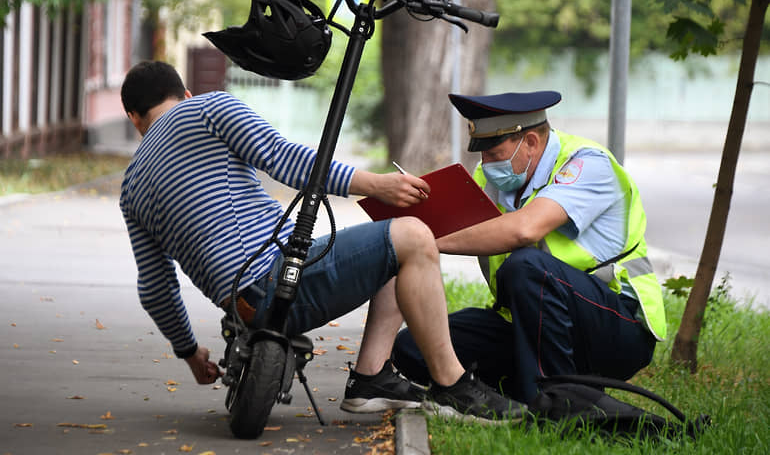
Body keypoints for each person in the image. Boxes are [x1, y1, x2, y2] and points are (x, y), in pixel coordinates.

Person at [118, 60, 522, 422]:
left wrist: (190, 354)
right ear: (185, 94)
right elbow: (284, 158)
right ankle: (453, 387)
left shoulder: (131, 187)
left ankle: (372, 380)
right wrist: (376, 185)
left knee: (392, 248)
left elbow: (156, 289)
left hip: (241, 310)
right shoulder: (207, 108)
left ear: (134, 117)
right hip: (277, 280)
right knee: (414, 234)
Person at [393, 91, 667, 405]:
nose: (487, 163)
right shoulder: (490, 181)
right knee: (414, 346)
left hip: (615, 327)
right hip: (532, 327)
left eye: (495, 153)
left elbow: (526, 229)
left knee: (526, 266)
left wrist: (423, 239)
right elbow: (455, 227)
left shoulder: (587, 163)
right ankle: (512, 394)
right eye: (483, 155)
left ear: (532, 142)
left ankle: (556, 403)